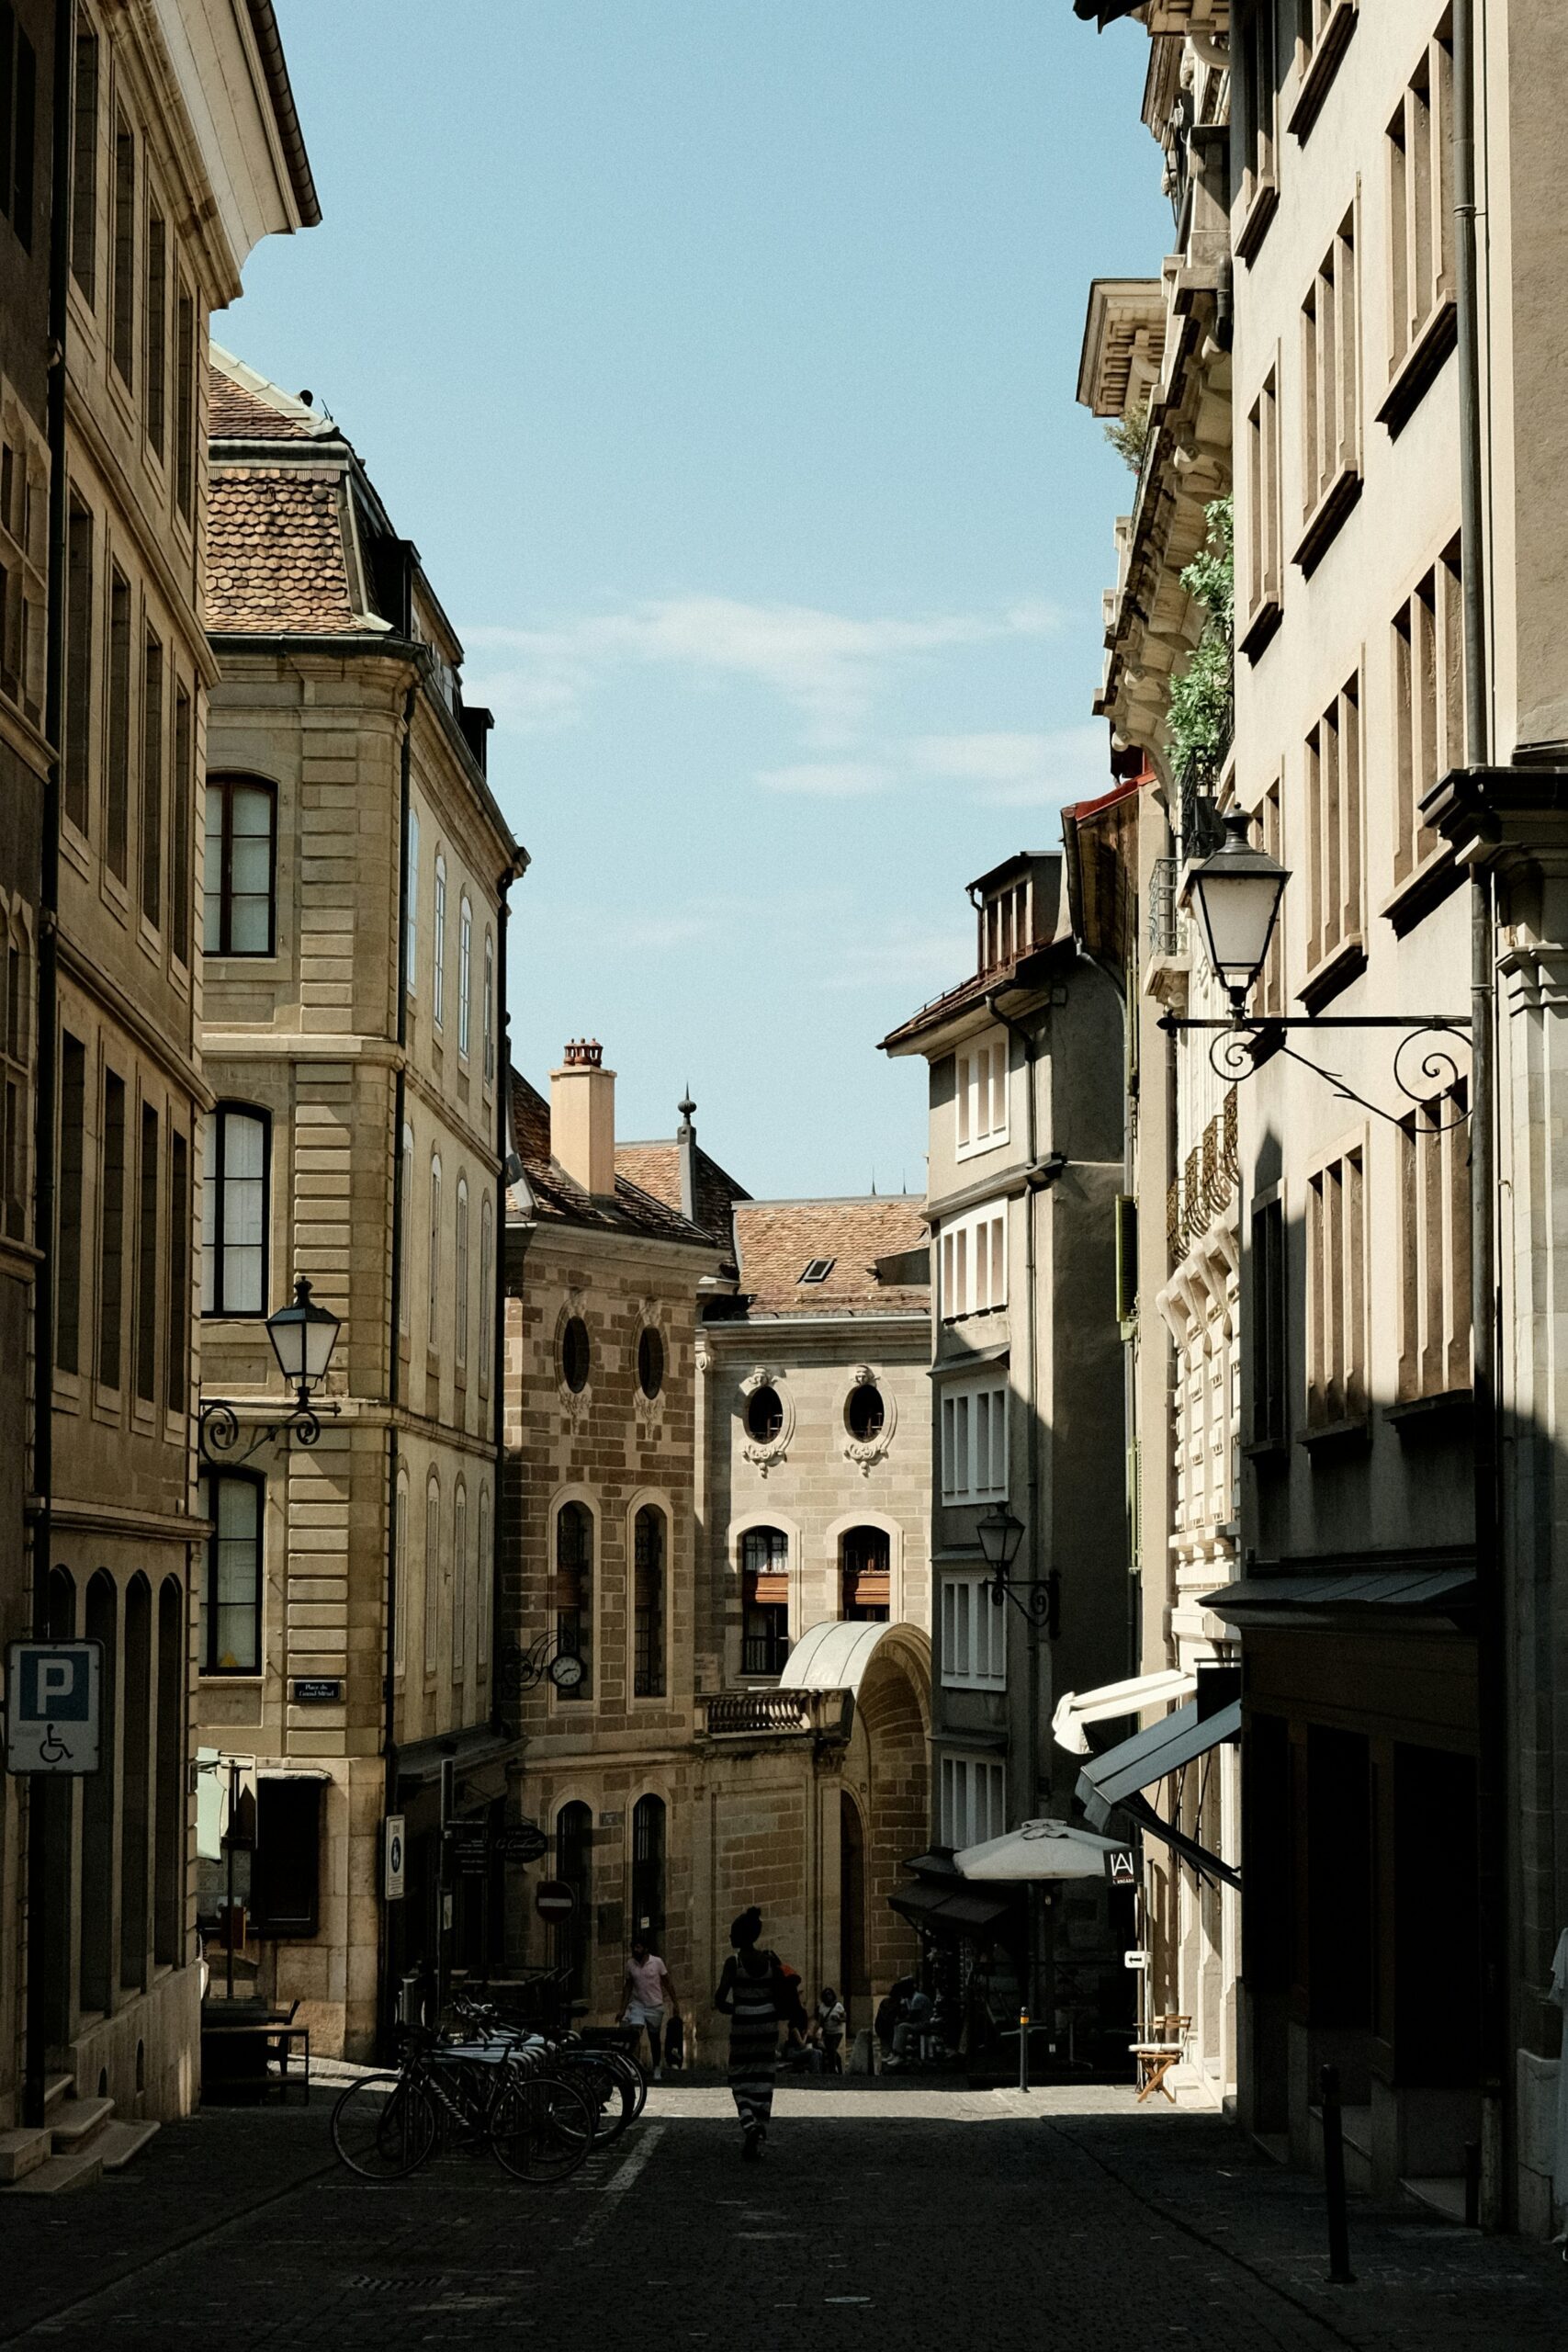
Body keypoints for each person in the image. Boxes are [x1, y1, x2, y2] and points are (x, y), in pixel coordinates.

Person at [714, 1906, 784, 2158]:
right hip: (768, 2024)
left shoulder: (734, 1963)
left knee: (739, 2079)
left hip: (743, 2023)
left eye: (733, 1933)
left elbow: (720, 1999)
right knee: (764, 2077)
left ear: (740, 1936)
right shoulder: (769, 1961)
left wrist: (739, 2007)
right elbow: (778, 1993)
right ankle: (759, 2125)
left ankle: (749, 2123)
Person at [619, 1937, 680, 2080]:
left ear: (645, 1949)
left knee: (654, 2038)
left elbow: (667, 1983)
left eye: (638, 1947)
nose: (636, 1950)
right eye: (634, 1947)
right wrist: (622, 2009)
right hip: (638, 2004)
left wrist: (675, 2003)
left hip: (654, 2005)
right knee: (635, 2033)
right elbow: (628, 1986)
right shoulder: (630, 1964)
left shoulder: (657, 1962)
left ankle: (657, 2066)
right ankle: (635, 2065)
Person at [815, 1986, 846, 2075]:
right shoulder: (822, 2007)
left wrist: (838, 2019)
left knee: (832, 2049)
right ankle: (837, 2068)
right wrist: (819, 2031)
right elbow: (820, 2020)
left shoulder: (838, 2006)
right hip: (828, 2032)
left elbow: (845, 2018)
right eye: (826, 1995)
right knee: (830, 2051)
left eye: (830, 1994)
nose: (828, 1996)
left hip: (837, 2032)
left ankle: (833, 2070)